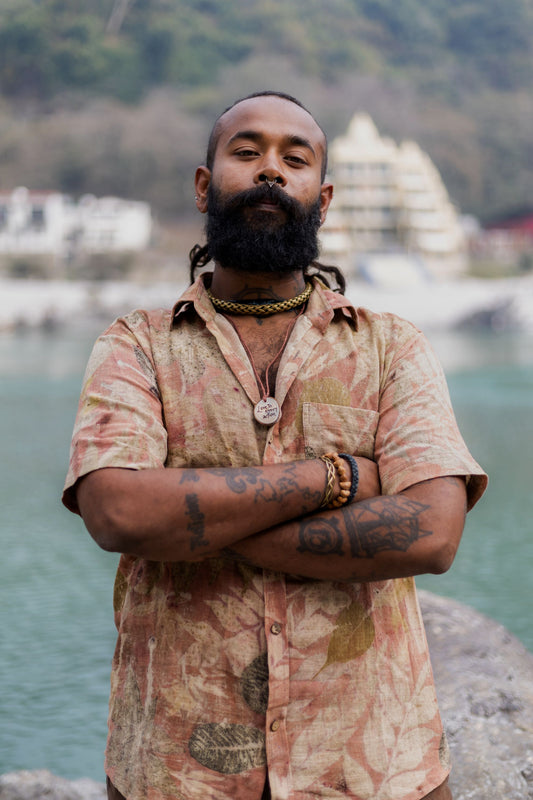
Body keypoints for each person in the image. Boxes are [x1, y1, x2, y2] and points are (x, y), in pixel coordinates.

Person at [63, 91, 487, 800]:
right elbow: (120, 513)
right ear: (205, 185)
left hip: (374, 766)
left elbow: (432, 533)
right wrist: (334, 479)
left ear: (323, 198)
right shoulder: (136, 345)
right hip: (179, 769)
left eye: (294, 159)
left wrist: (195, 526)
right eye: (247, 151)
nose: (270, 170)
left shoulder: (391, 347)